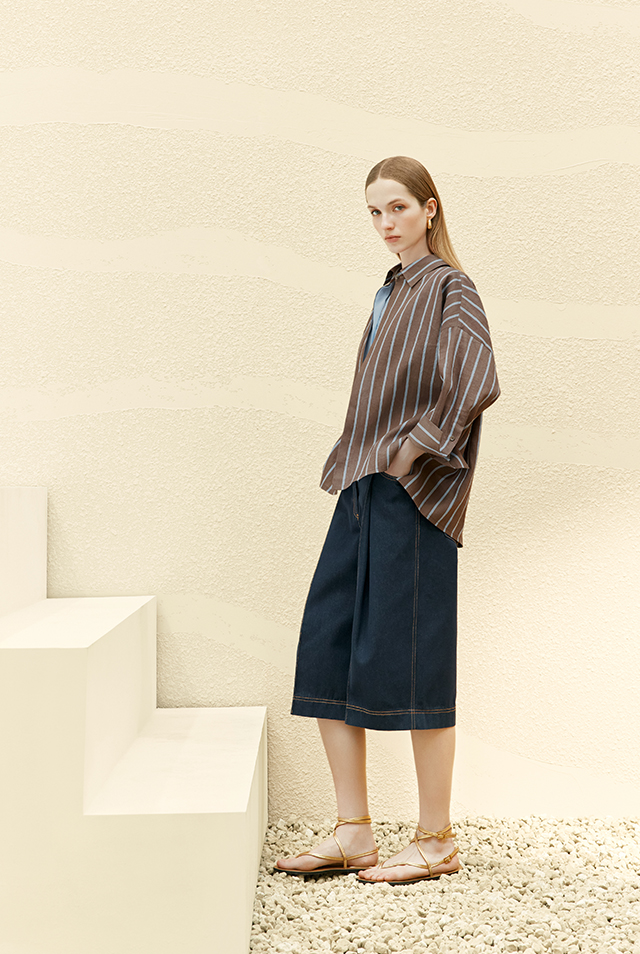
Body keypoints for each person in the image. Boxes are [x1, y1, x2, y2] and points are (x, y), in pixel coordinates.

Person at [275, 156, 500, 885]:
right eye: (374, 212)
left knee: (417, 660)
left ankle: (436, 839)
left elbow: (477, 377)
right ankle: (354, 833)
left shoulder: (450, 286)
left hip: (414, 495)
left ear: (430, 209)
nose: (385, 223)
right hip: (360, 485)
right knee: (327, 647)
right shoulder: (390, 289)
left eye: (398, 207)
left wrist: (412, 452)